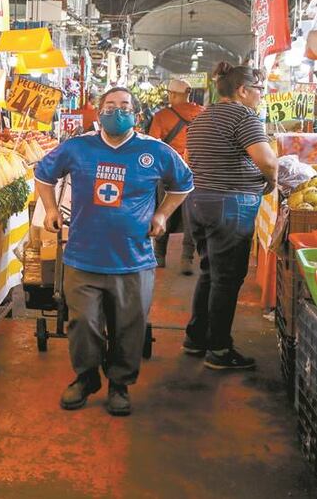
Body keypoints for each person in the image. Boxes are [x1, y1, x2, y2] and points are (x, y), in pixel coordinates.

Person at [35, 87, 193, 416]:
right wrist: (50, 210)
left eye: (124, 106)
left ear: (135, 114)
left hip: (133, 260)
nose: (116, 111)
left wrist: (162, 214)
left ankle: (120, 383)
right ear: (99, 110)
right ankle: (86, 378)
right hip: (82, 256)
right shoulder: (78, 147)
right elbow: (43, 174)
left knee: (129, 326)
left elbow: (183, 183)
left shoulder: (155, 151)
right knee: (83, 324)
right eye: (110, 105)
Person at [183, 62, 277, 370]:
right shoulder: (244, 116)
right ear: (243, 90)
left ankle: (196, 338)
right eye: (259, 90)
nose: (261, 96)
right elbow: (267, 161)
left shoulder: (202, 117)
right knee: (227, 278)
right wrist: (271, 182)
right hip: (230, 204)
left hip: (198, 201)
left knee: (211, 272)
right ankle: (220, 350)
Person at [147, 78, 203, 272]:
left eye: (170, 94)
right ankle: (187, 258)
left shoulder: (162, 116)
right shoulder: (202, 113)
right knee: (191, 216)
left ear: (174, 94)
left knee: (165, 212)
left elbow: (154, 145)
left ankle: (159, 255)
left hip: (169, 172)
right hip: (196, 172)